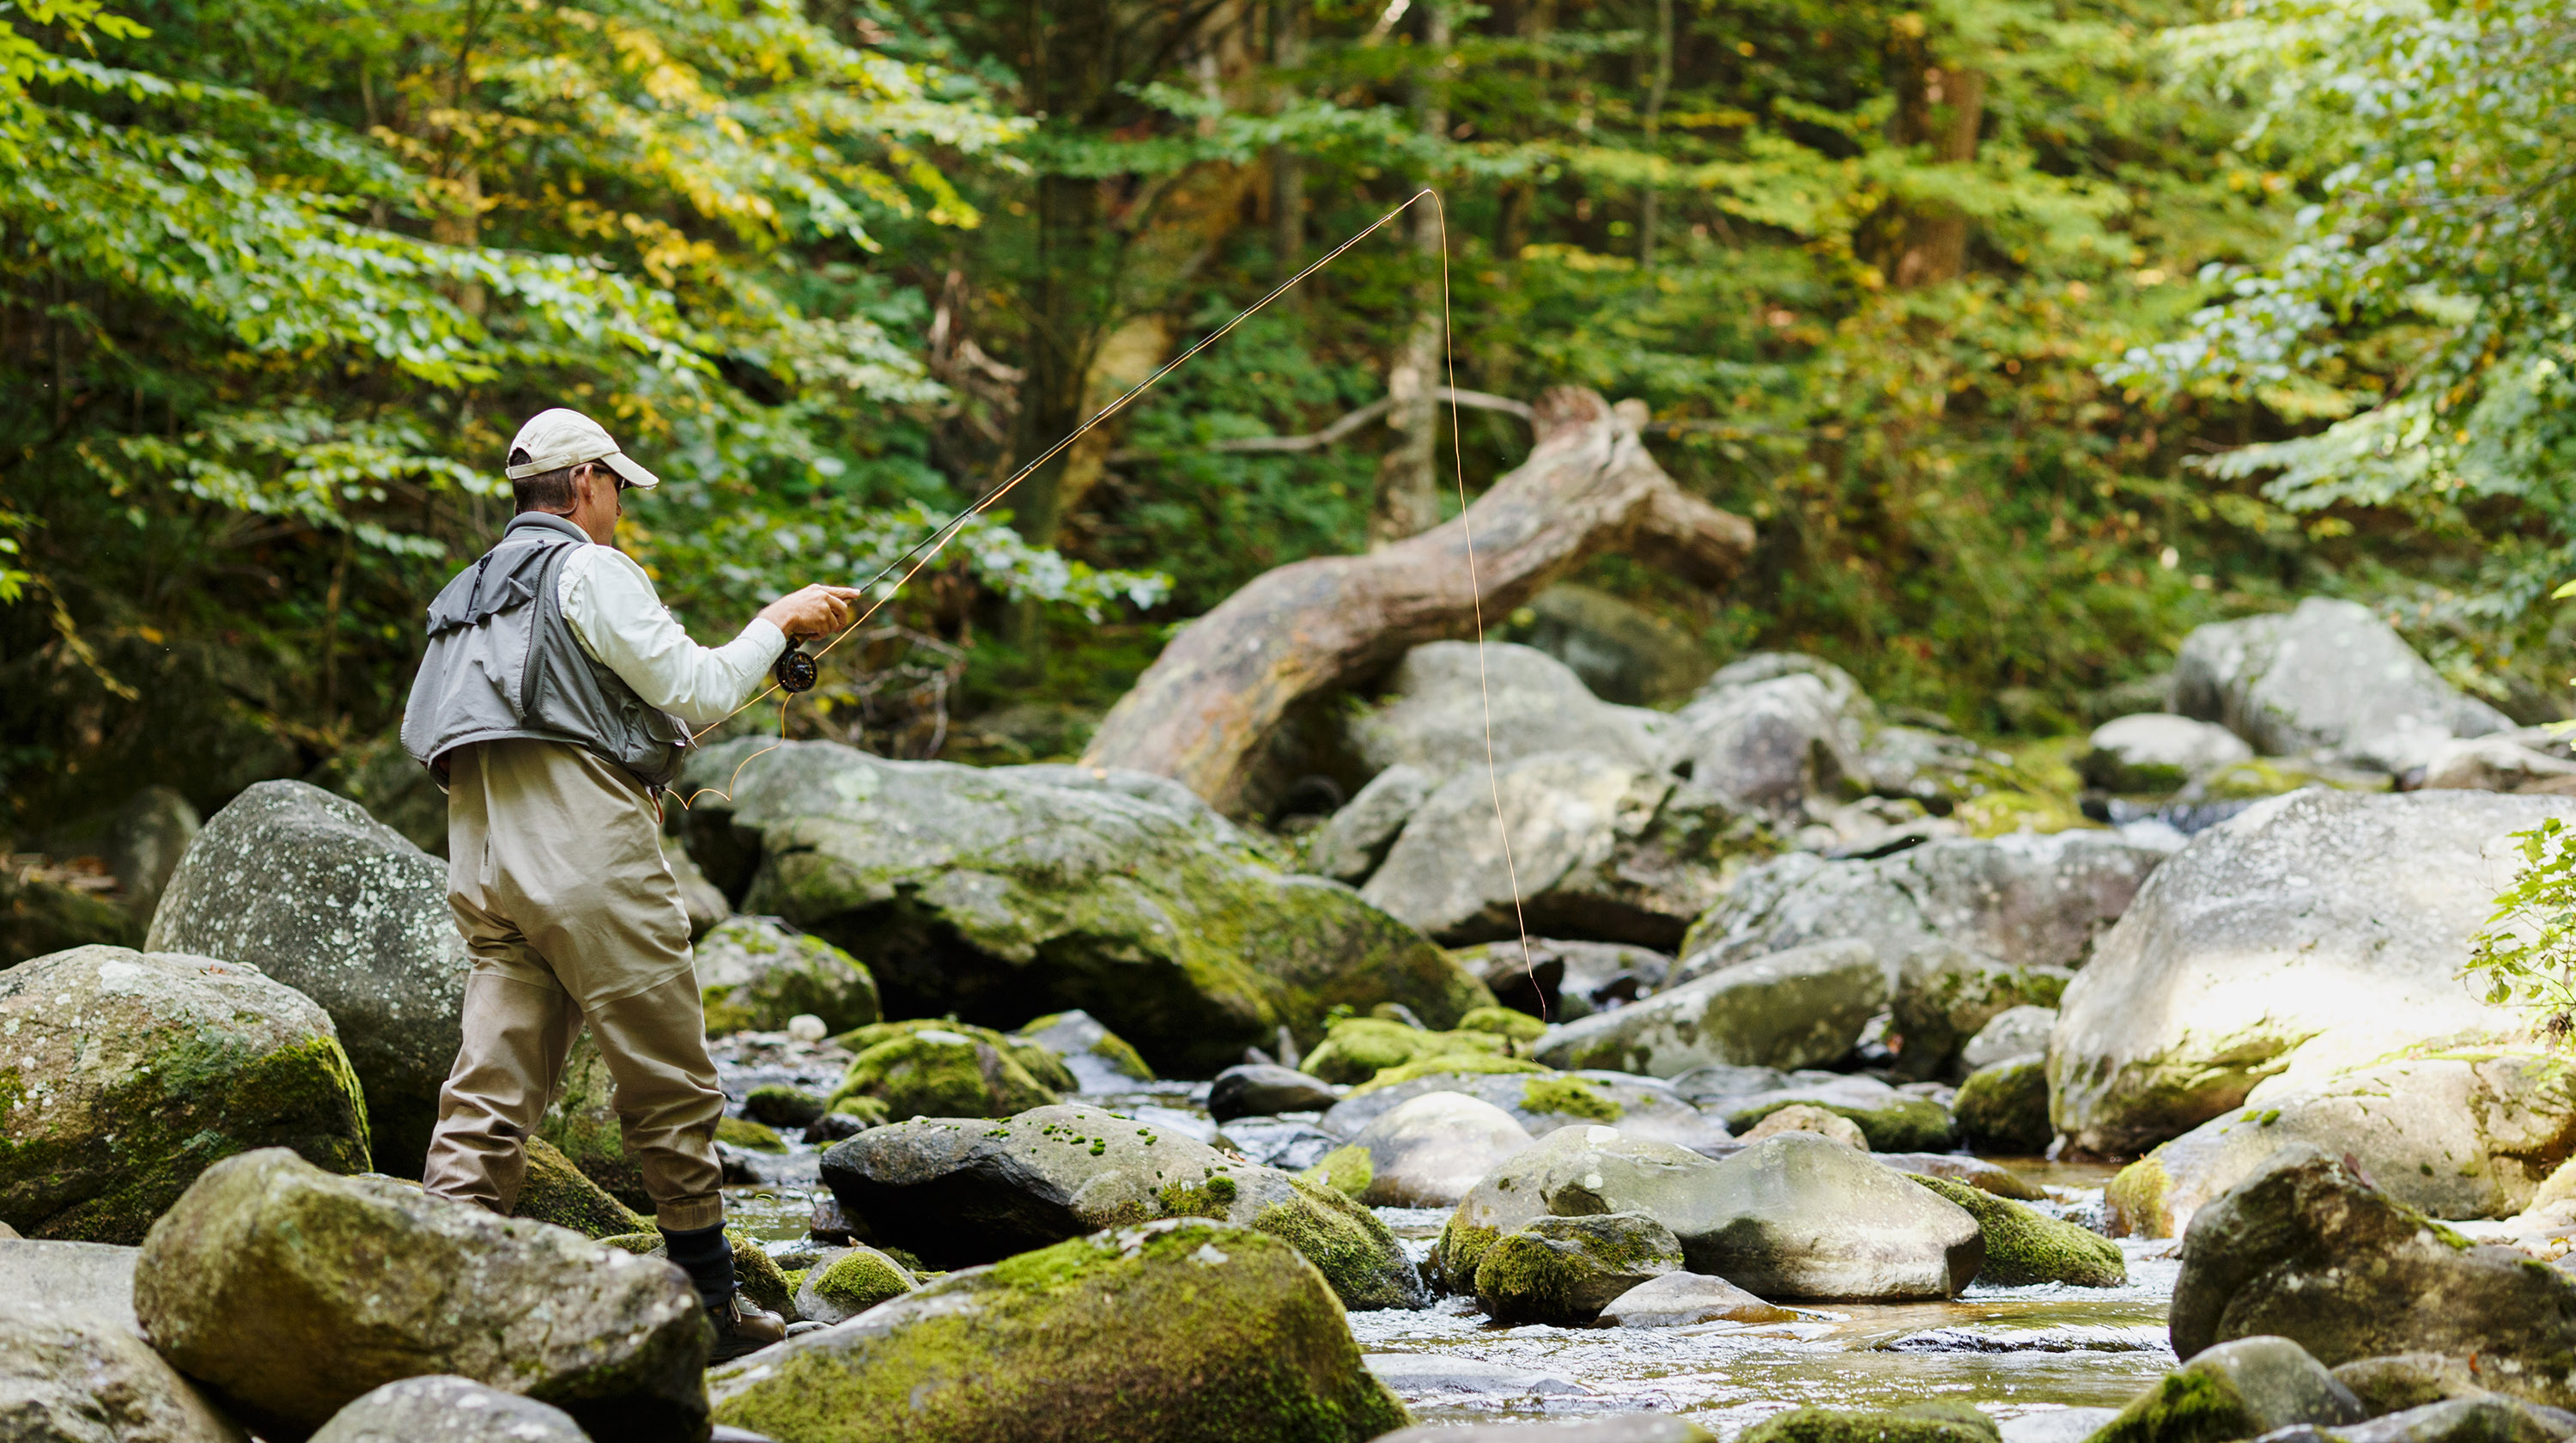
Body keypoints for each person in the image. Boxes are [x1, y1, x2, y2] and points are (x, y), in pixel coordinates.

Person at [401, 407, 861, 1361]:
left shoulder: (467, 590)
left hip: (482, 856)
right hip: (584, 856)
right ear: (582, 485)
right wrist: (779, 623)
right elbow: (696, 688)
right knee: (671, 1077)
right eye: (616, 487)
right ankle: (707, 1299)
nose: (619, 506)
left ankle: (432, 1290)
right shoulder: (589, 569)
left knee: (488, 1090)